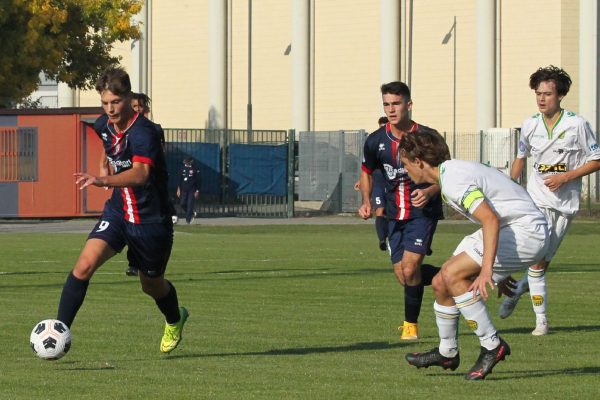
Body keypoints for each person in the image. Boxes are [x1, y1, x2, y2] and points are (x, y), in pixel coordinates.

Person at [56, 66, 188, 354]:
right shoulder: (103, 124)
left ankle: (175, 319)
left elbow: (140, 174)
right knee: (83, 266)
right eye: (105, 103)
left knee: (151, 285)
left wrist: (103, 179)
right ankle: (58, 331)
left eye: (115, 102)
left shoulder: (145, 133)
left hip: (150, 220)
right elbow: (109, 141)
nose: (110, 109)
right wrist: (104, 162)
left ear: (128, 98)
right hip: (117, 211)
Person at [399, 129, 549, 380]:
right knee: (440, 282)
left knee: (452, 273)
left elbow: (489, 218)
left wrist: (488, 270)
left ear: (418, 161)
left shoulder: (454, 179)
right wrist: (499, 268)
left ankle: (492, 345)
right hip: (512, 227)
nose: (405, 170)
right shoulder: (450, 173)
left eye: (405, 164)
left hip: (525, 231)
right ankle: (447, 352)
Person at [497, 66, 600, 335]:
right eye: (538, 94)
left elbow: (596, 160)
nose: (542, 99)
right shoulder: (530, 124)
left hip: (564, 204)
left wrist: (566, 177)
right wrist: (510, 186)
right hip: (536, 199)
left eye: (548, 94)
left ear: (561, 95)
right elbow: (521, 157)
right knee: (537, 262)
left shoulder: (577, 124)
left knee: (543, 261)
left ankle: (518, 290)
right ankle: (541, 320)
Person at [358, 81, 442, 340]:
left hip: (422, 213)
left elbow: (447, 174)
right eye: (387, 104)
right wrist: (366, 201)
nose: (391, 109)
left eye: (396, 103)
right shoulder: (375, 140)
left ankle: (410, 327)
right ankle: (453, 275)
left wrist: (429, 191)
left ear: (409, 105)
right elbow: (366, 172)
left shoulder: (428, 137)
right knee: (404, 274)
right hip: (394, 214)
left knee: (409, 268)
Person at [354, 116, 390, 250]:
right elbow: (367, 168)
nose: (383, 129)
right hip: (379, 180)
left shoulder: (397, 141)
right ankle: (382, 239)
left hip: (393, 181)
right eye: (381, 127)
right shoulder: (376, 142)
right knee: (379, 210)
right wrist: (361, 180)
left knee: (394, 211)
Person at [177, 157, 201, 224]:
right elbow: (180, 179)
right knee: (182, 204)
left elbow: (199, 180)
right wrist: (178, 189)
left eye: (187, 161)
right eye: (185, 162)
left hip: (192, 190)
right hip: (184, 189)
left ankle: (188, 220)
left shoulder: (195, 169)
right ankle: (191, 213)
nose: (186, 163)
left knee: (190, 204)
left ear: (191, 162)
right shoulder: (182, 169)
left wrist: (197, 191)